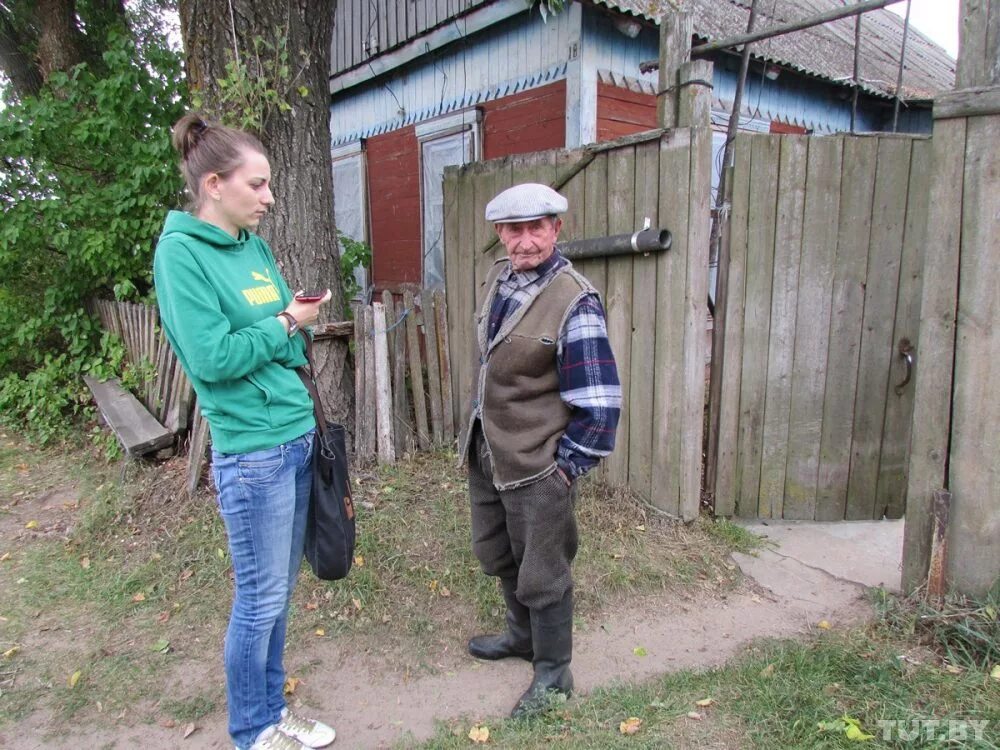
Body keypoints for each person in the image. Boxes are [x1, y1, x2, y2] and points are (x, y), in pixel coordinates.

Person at [154, 113, 337, 750]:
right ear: (213, 185)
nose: (269, 198)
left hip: (294, 433)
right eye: (257, 186)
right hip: (252, 451)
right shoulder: (180, 254)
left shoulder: (253, 248)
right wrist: (288, 322)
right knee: (258, 599)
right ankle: (251, 731)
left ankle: (272, 713)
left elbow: (279, 339)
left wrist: (296, 322)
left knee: (279, 596)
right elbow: (211, 359)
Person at [458, 182, 621, 717]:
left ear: (556, 228)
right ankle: (520, 637)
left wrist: (564, 470)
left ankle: (554, 674)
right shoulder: (500, 279)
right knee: (498, 552)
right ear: (499, 233)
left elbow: (599, 405)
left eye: (536, 228)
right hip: (489, 450)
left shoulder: (574, 299)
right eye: (513, 230)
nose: (524, 241)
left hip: (539, 464)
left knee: (543, 569)